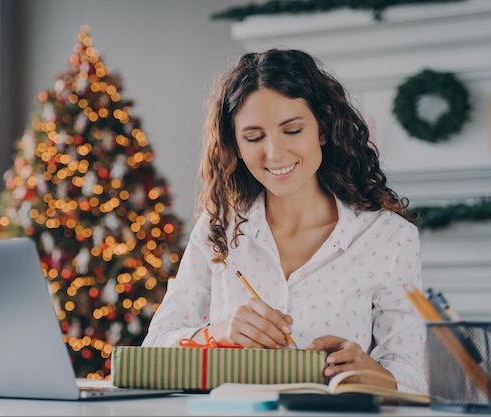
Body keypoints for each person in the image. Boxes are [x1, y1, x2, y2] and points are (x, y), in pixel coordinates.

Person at [141, 48, 427, 395]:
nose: (274, 154)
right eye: (254, 137)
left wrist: (370, 372)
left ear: (322, 129)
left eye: (292, 130)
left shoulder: (389, 238)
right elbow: (154, 350)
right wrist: (219, 333)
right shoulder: (219, 228)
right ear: (236, 145)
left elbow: (412, 380)